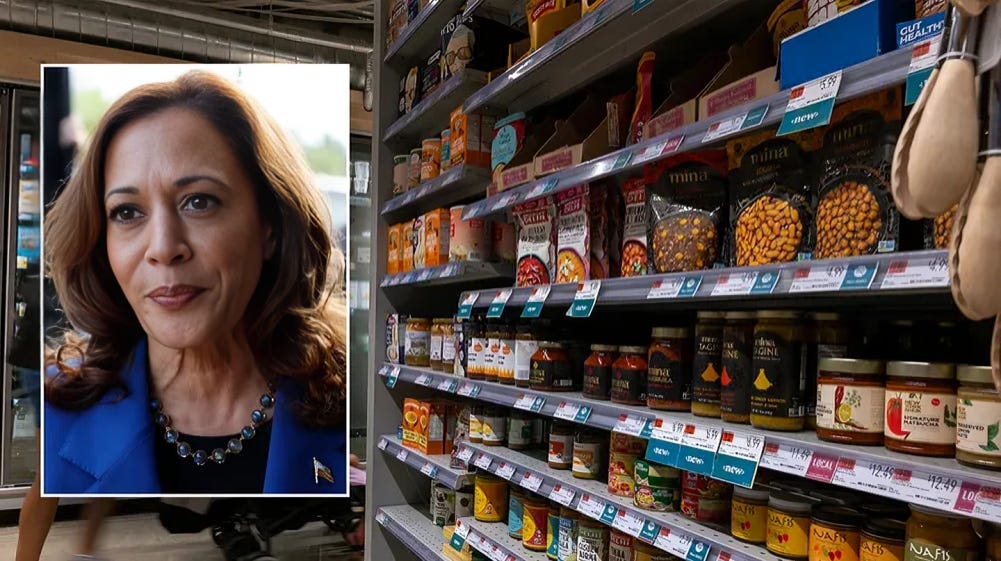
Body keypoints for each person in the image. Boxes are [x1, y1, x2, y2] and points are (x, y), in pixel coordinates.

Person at [43, 69, 349, 495]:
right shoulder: (58, 410)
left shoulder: (351, 402)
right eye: (127, 212)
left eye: (199, 202)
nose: (165, 247)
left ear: (271, 227)